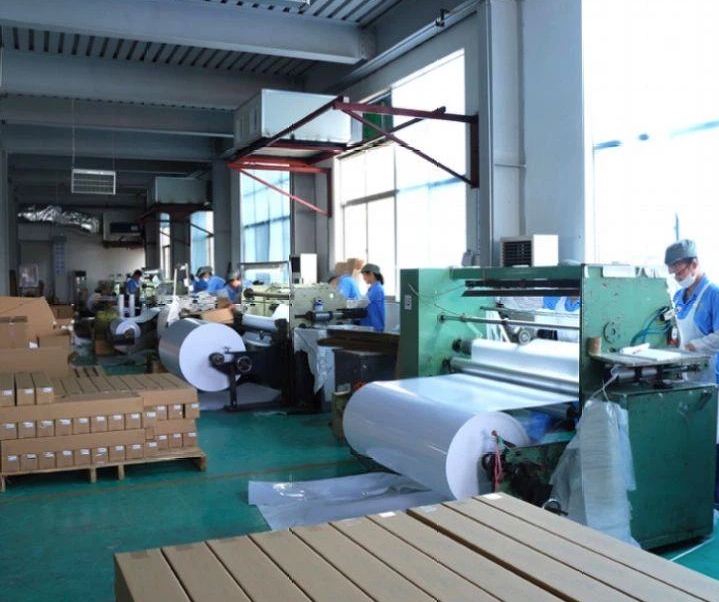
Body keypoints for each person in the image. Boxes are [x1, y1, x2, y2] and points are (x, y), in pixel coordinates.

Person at [664, 238, 719, 503]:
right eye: (673, 273)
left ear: (694, 264)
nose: (677, 277)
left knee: (711, 442)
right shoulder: (678, 297)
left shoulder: (713, 294)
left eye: (679, 271)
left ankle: (713, 503)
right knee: (688, 442)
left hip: (709, 378)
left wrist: (694, 346)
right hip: (685, 377)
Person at [359, 263, 385, 332]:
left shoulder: (377, 289)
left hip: (374, 326)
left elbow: (364, 303)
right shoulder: (372, 289)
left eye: (364, 275)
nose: (363, 278)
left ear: (371, 274)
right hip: (370, 325)